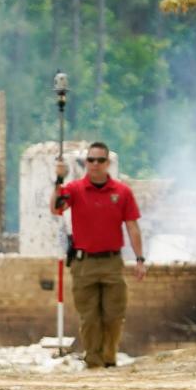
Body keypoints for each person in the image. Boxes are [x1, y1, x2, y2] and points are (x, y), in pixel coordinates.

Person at [51, 142, 145, 369]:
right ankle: (93, 361)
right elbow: (57, 208)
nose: (94, 165)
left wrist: (140, 259)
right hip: (84, 263)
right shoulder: (74, 189)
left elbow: (132, 226)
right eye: (90, 160)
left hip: (112, 261)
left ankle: (109, 357)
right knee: (89, 318)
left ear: (108, 163)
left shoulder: (122, 192)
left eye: (100, 160)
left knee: (114, 315)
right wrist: (58, 180)